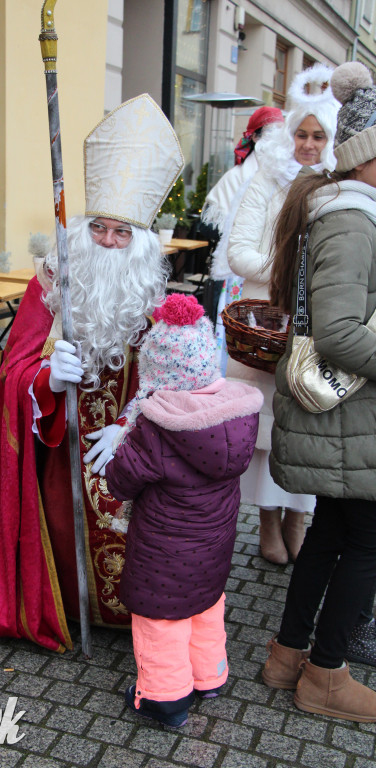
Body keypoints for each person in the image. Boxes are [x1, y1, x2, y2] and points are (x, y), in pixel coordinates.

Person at [0, 94, 185, 652]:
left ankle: (138, 612)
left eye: (122, 233)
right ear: (82, 228)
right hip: (58, 452)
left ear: (141, 244)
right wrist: (46, 381)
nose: (107, 242)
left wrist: (131, 424)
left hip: (127, 445)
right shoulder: (50, 284)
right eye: (99, 227)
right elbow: (12, 374)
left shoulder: (152, 298)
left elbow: (170, 382)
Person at [263, 61, 376, 722]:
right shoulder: (355, 222)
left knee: (334, 532)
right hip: (350, 417)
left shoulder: (348, 213)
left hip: (345, 419)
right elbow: (335, 332)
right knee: (365, 543)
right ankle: (326, 675)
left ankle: (287, 654)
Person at [103, 293, 263, 727]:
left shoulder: (156, 426)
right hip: (214, 544)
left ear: (155, 372)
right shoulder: (237, 414)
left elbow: (121, 478)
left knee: (161, 617)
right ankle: (209, 676)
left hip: (163, 550)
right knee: (206, 604)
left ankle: (164, 699)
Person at [226, 63, 340, 564]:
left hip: (314, 331)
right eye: (300, 133)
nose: (308, 144)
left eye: (318, 136)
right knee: (266, 436)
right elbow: (238, 251)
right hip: (266, 330)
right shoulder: (265, 184)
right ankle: (268, 524)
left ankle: (299, 519)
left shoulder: (338, 187)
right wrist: (288, 274)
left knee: (307, 432)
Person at [201, 106, 284, 374]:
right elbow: (210, 225)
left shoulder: (285, 175)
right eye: (269, 132)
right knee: (235, 332)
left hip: (268, 273)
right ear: (256, 137)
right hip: (240, 268)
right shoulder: (237, 176)